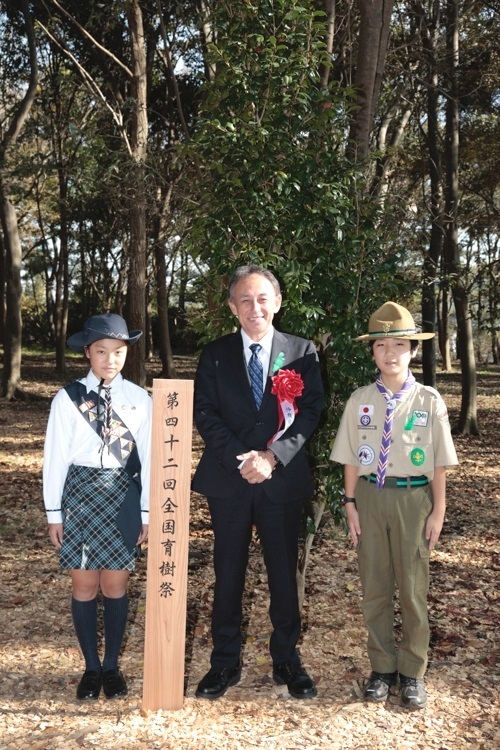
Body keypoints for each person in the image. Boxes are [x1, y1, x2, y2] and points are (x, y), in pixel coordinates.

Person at [192, 265, 324, 700]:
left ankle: (287, 659)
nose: (255, 307)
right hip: (229, 481)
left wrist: (272, 457)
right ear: (232, 306)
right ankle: (224, 663)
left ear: (278, 302)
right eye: (245, 300)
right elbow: (205, 413)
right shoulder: (214, 354)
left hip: (280, 481)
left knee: (283, 573)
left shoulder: (301, 351)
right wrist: (243, 460)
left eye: (263, 298)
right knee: (228, 572)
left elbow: (309, 413)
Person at [330, 301, 458, 709]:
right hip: (370, 497)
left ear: (412, 351)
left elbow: (439, 463)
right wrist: (349, 503)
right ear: (372, 351)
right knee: (376, 587)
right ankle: (382, 668)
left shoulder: (429, 400)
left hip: (413, 499)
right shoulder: (360, 399)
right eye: (381, 344)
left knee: (413, 588)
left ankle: (413, 671)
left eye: (399, 344)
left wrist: (438, 511)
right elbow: (351, 456)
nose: (390, 352)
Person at [43, 313, 152, 701]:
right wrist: (54, 513)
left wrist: (147, 512)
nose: (110, 359)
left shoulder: (140, 400)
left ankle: (112, 666)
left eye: (119, 352)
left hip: (123, 495)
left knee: (116, 583)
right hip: (81, 494)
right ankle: (90, 667)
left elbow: (151, 459)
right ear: (87, 352)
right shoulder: (68, 398)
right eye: (102, 351)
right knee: (85, 584)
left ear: (127, 353)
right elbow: (54, 457)